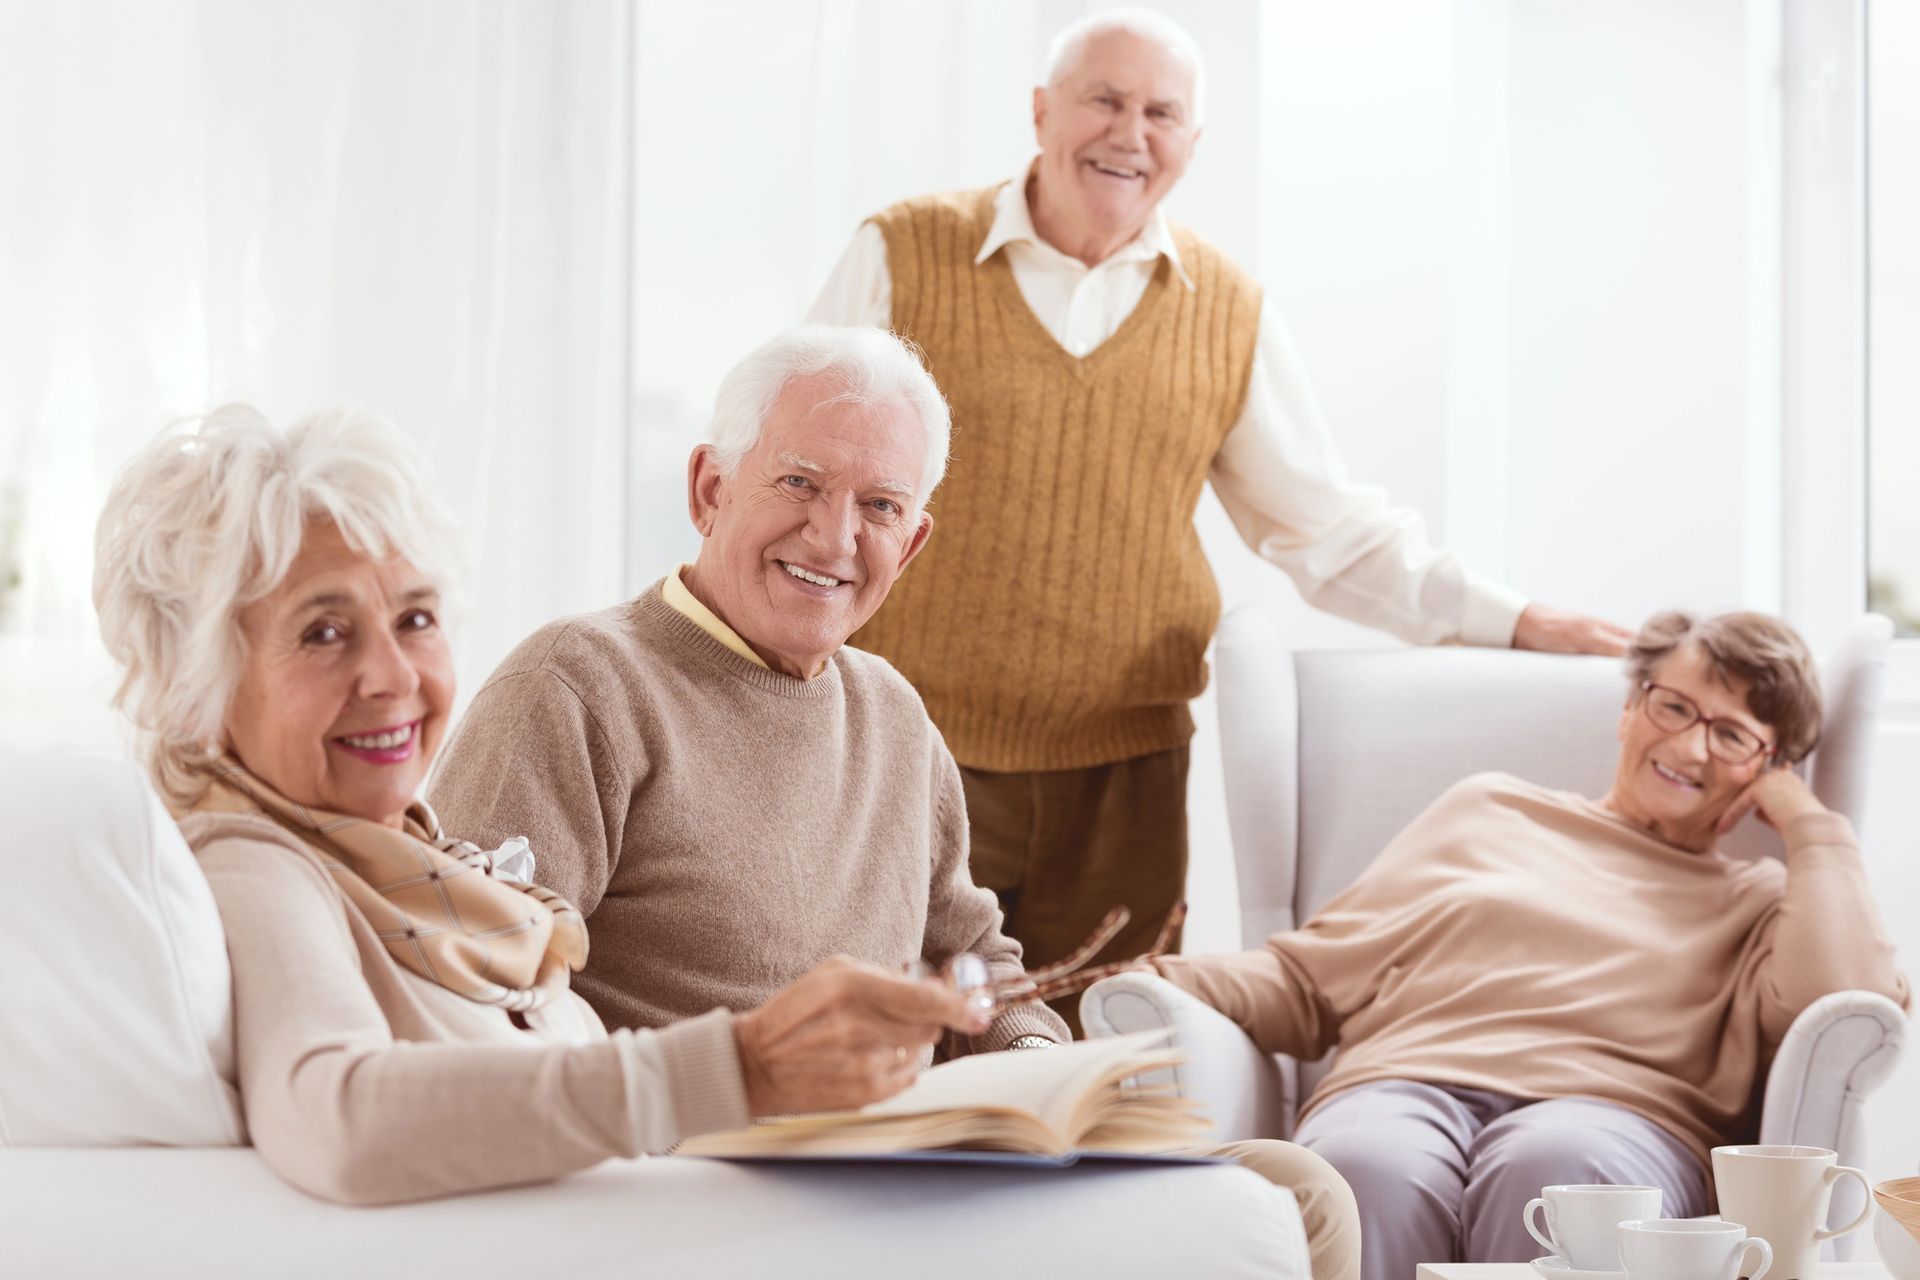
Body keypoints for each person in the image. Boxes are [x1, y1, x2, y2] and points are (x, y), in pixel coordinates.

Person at [429, 326, 1363, 1278]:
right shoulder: (578, 683)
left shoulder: (893, 714)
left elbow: (971, 960)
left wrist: (1047, 1074)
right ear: (710, 490)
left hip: (904, 1170)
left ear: (911, 543)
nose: (835, 538)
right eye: (799, 483)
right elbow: (473, 1008)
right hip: (711, 1196)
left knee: (1297, 1191)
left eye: (879, 505)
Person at [806, 9, 1632, 1025]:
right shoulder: (902, 251)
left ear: (1192, 145)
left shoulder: (1227, 310)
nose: (1131, 132)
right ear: (1040, 110)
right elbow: (795, 462)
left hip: (1126, 782)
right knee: (875, 1053)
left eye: (1163, 112)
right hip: (902, 742)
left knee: (1097, 1068)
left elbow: (1328, 530)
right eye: (1105, 99)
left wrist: (1516, 619)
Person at [92, 405, 995, 1206]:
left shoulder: (396, 858)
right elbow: (339, 1119)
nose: (393, 677)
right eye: (322, 633)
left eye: (414, 620)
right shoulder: (254, 861)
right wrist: (742, 1065)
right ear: (199, 686)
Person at [1148, 610, 1911, 1280]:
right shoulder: (1491, 810)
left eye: (1733, 734)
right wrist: (1136, 979)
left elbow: (1843, 1004)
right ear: (1629, 710)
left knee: (1562, 1173)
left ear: (1769, 769)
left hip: (1616, 1115)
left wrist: (1814, 827)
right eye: (1674, 706)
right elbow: (1307, 983)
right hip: (1402, 1084)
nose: (1693, 745)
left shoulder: (1760, 899)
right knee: (1360, 1169)